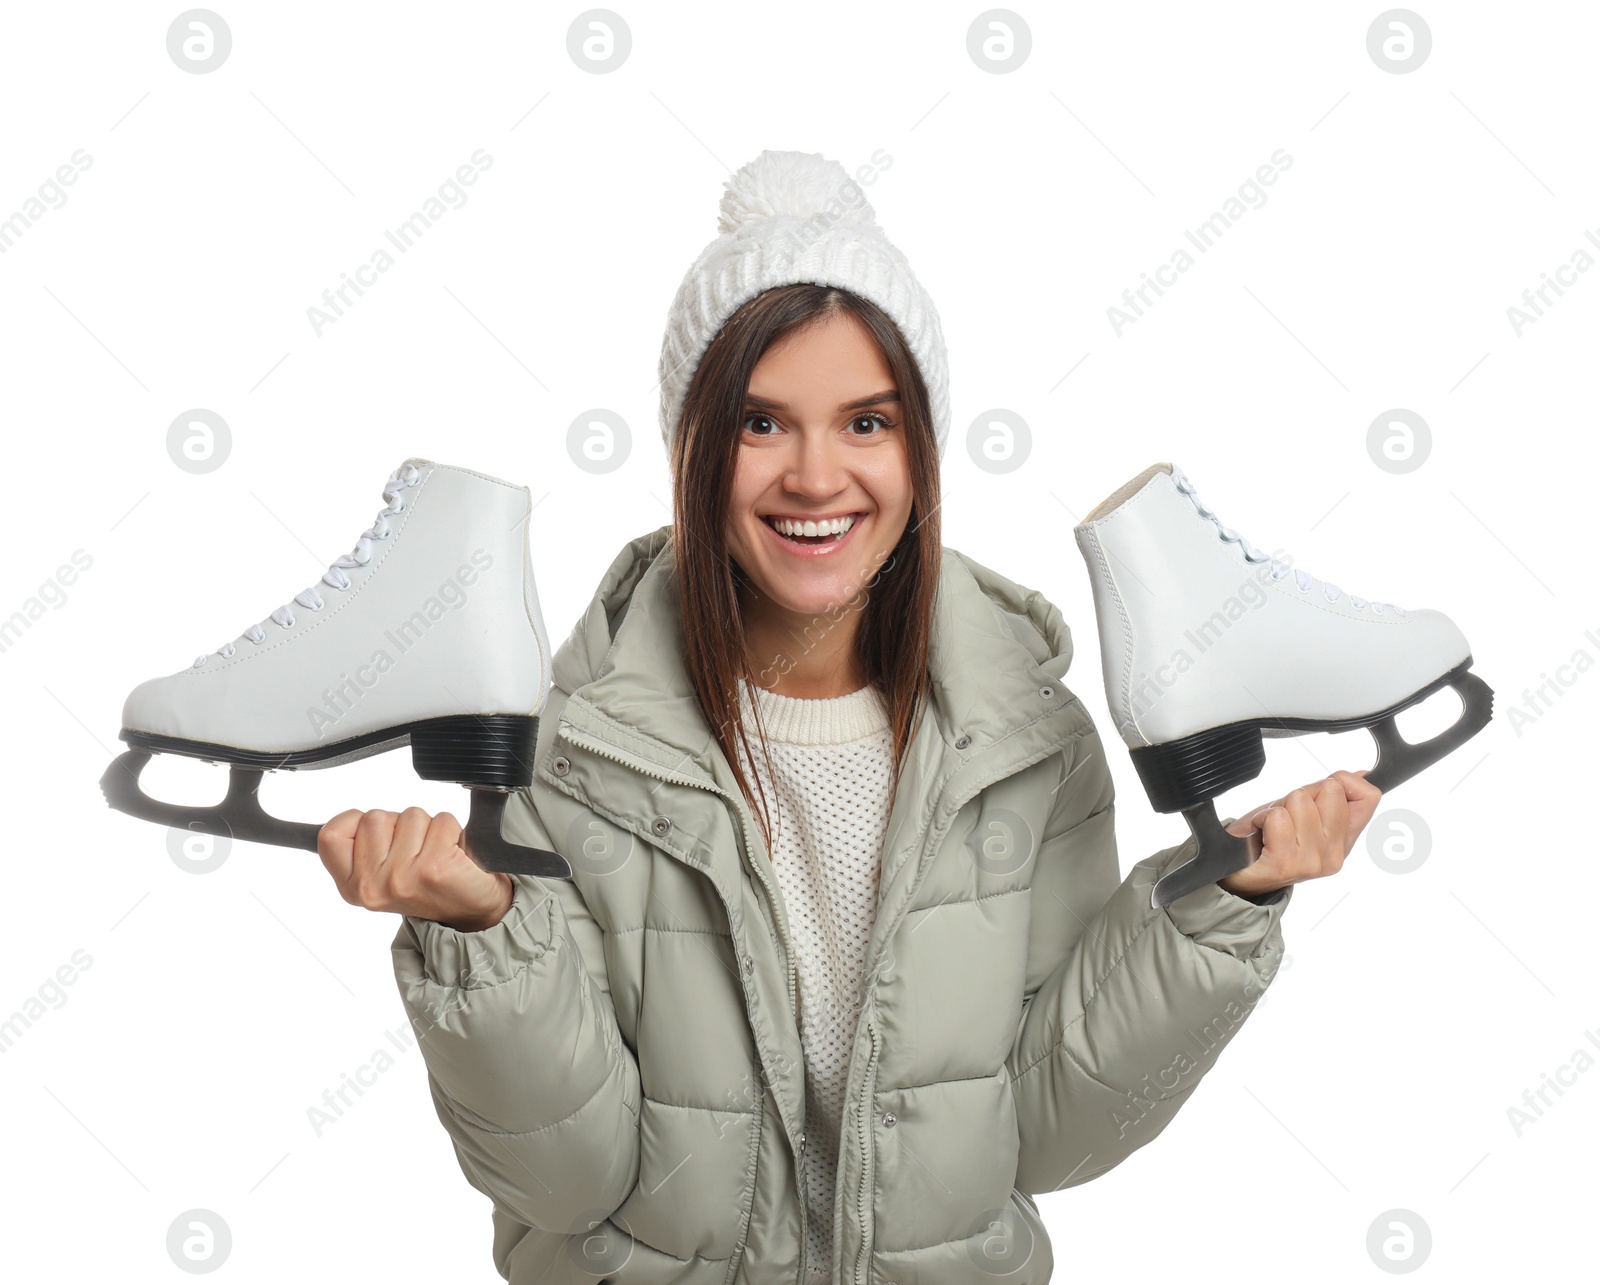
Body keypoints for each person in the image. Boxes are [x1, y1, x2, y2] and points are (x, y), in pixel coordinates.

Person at [316, 150, 1381, 1284]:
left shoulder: (1029, 743)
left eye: (867, 422)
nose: (816, 477)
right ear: (689, 448)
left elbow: (1048, 1131)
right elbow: (565, 1181)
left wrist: (1225, 903)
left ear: (922, 449)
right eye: (761, 424)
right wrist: (484, 934)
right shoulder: (569, 749)